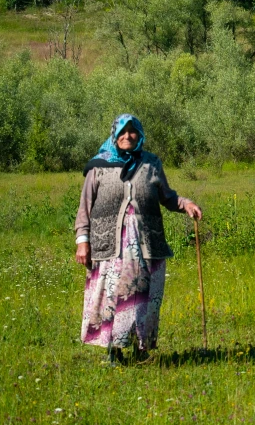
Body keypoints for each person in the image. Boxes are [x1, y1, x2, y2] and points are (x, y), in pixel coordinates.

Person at [74, 114, 202, 363]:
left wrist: (185, 204)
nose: (127, 136)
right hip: (109, 247)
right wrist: (83, 241)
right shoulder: (99, 165)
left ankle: (139, 350)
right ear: (114, 134)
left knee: (142, 298)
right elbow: (85, 207)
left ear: (140, 134)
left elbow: (167, 197)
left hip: (146, 246)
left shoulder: (151, 163)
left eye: (132, 132)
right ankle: (113, 352)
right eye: (122, 132)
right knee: (112, 297)